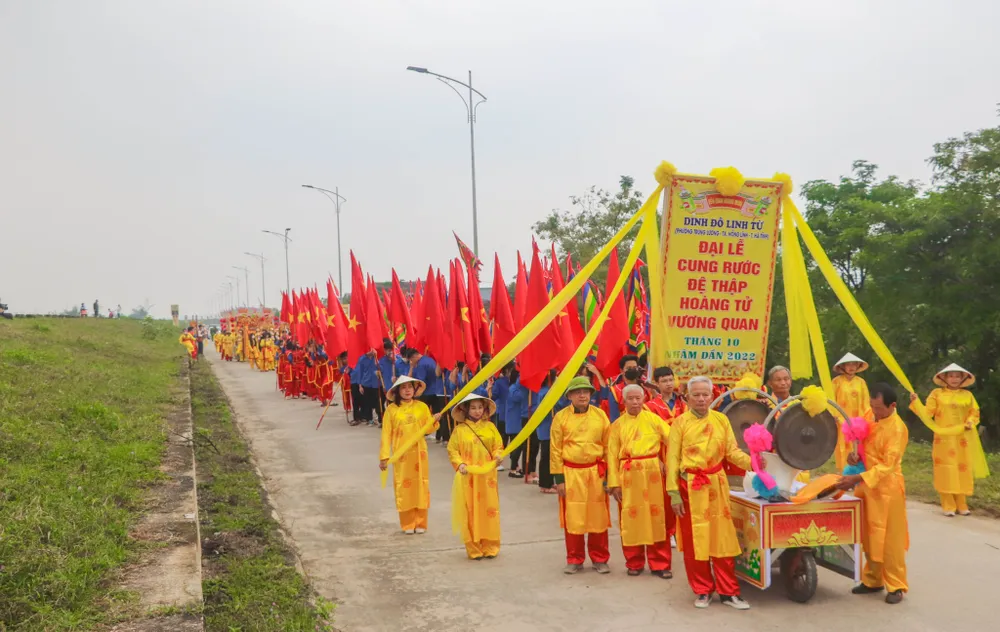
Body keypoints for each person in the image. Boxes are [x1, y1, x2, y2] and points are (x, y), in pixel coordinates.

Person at [666, 376, 753, 610]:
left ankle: (729, 591)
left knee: (722, 538)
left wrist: (755, 462)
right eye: (696, 394)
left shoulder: (722, 420)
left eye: (706, 394)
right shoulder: (680, 423)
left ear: (712, 396)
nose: (702, 399)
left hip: (716, 484)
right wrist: (673, 493)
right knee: (696, 541)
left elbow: (732, 452)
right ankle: (703, 589)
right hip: (689, 487)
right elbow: (672, 459)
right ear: (688, 397)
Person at [837, 382, 909, 604]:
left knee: (889, 540)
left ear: (892, 405)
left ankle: (896, 585)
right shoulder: (870, 414)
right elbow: (860, 443)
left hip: (887, 489)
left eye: (879, 408)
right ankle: (872, 580)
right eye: (872, 405)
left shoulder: (897, 429)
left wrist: (856, 478)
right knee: (869, 535)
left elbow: (887, 465)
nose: (874, 411)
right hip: (866, 484)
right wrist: (853, 457)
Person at [608, 384, 673, 578]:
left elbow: (673, 441)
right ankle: (634, 561)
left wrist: (665, 462)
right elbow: (611, 455)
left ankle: (660, 563)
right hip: (628, 475)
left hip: (652, 472)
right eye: (631, 399)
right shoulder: (617, 425)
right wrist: (614, 483)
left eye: (638, 398)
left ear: (644, 399)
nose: (635, 402)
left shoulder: (654, 420)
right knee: (631, 518)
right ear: (624, 401)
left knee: (656, 517)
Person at [551, 376, 612, 574]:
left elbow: (608, 446)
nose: (582, 395)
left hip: (596, 472)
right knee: (573, 518)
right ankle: (575, 558)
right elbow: (555, 450)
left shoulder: (600, 416)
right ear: (569, 395)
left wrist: (609, 476)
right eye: (577, 392)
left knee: (598, 517)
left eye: (586, 391)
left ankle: (600, 558)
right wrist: (558, 479)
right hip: (571, 473)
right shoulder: (560, 418)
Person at [910, 364, 980, 516]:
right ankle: (948, 505)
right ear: (945, 378)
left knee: (962, 468)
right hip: (944, 439)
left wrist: (970, 422)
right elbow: (927, 413)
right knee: (946, 469)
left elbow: (974, 412)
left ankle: (962, 504)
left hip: (962, 438)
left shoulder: (968, 395)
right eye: (951, 376)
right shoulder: (937, 394)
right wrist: (916, 402)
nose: (954, 379)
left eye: (957, 376)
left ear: (963, 378)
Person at [379, 376, 440, 534]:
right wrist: (384, 457)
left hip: (419, 453)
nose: (407, 390)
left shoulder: (422, 407)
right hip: (401, 455)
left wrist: (434, 420)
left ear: (415, 389)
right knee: (404, 487)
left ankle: (420, 523)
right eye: (403, 387)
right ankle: (407, 524)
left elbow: (428, 429)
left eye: (410, 387)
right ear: (397, 391)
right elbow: (386, 434)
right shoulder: (391, 410)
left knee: (421, 485)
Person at [448, 393, 505, 559]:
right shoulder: (459, 430)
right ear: (466, 410)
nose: (477, 411)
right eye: (473, 408)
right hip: (469, 477)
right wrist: (460, 464)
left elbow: (498, 446)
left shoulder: (490, 427)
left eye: (480, 407)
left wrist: (498, 455)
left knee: (490, 509)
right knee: (470, 510)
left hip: (487, 477)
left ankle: (490, 546)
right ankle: (473, 547)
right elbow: (452, 450)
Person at [832, 353, 872, 469]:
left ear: (858, 366)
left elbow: (866, 403)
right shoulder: (836, 382)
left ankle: (856, 475)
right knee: (842, 447)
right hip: (841, 421)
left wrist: (867, 418)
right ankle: (843, 474)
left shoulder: (861, 382)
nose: (851, 367)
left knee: (857, 447)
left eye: (854, 364)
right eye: (848, 364)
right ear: (843, 366)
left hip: (858, 422)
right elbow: (831, 400)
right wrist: (833, 415)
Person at [504, 365, 529, 478]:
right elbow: (519, 397)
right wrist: (522, 380)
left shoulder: (515, 387)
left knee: (518, 446)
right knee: (516, 447)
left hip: (517, 421)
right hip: (514, 422)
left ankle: (516, 466)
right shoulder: (513, 388)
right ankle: (513, 469)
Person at [535, 370, 557, 493]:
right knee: (546, 457)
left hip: (547, 428)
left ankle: (548, 482)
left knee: (549, 457)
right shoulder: (547, 393)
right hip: (547, 428)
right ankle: (545, 485)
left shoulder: (544, 391)